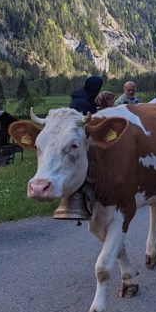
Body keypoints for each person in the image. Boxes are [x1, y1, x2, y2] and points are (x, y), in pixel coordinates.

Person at [53, 76, 103, 220]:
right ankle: (76, 198)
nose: (98, 91)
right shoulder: (81, 102)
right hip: (77, 142)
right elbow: (79, 123)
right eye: (97, 88)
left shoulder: (84, 98)